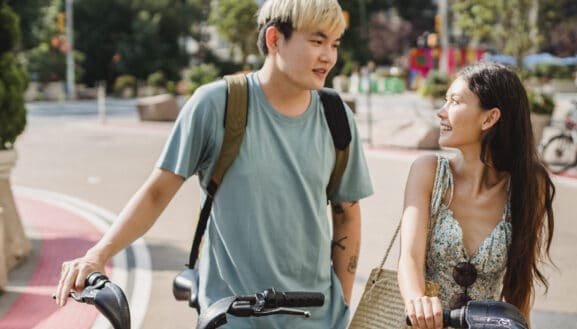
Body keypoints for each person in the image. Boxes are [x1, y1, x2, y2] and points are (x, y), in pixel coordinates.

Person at [54, 1, 373, 328]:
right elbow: (157, 193)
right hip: (232, 317)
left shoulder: (336, 116)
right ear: (275, 39)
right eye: (318, 42)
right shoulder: (216, 105)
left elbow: (347, 214)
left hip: (318, 320)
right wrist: (97, 255)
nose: (329, 57)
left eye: (335, 44)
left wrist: (341, 306)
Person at [398, 62, 555, 329]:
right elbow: (409, 257)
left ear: (489, 118)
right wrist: (417, 302)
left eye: (455, 102)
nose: (441, 112)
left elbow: (519, 284)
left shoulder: (529, 184)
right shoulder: (428, 172)